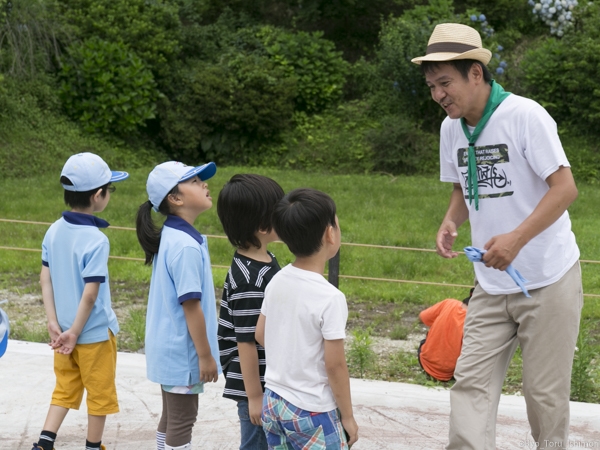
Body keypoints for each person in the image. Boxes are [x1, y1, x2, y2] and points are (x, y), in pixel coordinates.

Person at [412, 23, 583, 450]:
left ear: (476, 72)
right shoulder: (451, 129)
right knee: (470, 384)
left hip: (547, 277)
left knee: (543, 395)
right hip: (490, 281)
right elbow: (462, 186)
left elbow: (565, 189)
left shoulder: (525, 116)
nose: (438, 95)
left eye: (445, 82)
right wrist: (451, 220)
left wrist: (517, 239)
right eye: (432, 86)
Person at [32, 152, 129, 450]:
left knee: (64, 388)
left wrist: (54, 322)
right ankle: (92, 446)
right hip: (93, 334)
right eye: (109, 189)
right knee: (99, 395)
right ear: (98, 195)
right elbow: (91, 293)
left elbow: (44, 279)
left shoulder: (53, 230)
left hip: (60, 333)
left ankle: (44, 443)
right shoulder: (96, 239)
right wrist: (75, 331)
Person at [256, 188, 359, 449]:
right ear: (329, 233)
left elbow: (260, 334)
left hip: (274, 401)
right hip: (312, 410)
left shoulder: (277, 279)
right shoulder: (330, 297)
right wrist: (347, 416)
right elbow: (334, 366)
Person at [136, 161, 221, 450]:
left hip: (170, 348)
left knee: (172, 417)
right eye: (196, 182)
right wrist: (206, 356)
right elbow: (191, 306)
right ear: (175, 198)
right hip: (184, 353)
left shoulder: (174, 236)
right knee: (183, 419)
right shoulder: (184, 245)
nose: (205, 184)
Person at [216, 174, 285, 450]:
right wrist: (255, 396)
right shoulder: (250, 279)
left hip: (266, 379)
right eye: (280, 211)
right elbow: (246, 341)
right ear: (262, 225)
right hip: (254, 385)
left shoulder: (263, 260)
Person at [417, 289, 472, 382]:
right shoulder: (478, 321)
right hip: (452, 373)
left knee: (425, 341)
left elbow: (422, 317)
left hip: (425, 363)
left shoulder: (449, 303)